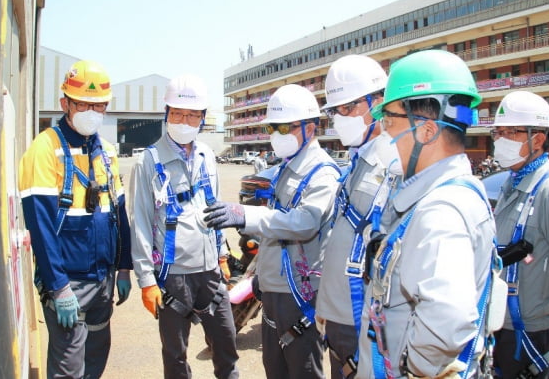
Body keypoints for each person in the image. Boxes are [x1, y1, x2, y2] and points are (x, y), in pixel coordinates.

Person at [355, 50, 497, 378]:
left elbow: (447, 320)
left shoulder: (440, 212)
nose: (384, 132)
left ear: (427, 131)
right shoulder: (453, 193)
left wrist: (414, 368)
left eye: (389, 120)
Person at [204, 84, 341, 379]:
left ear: (310, 127)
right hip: (272, 291)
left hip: (301, 296)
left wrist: (245, 215)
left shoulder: (323, 173)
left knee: (303, 371)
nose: (277, 135)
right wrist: (258, 278)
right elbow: (272, 234)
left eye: (284, 127)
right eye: (272, 127)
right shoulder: (284, 169)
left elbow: (305, 222)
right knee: (274, 370)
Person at [19, 60, 132, 378]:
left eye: (98, 105)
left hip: (102, 280)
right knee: (68, 368)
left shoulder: (107, 152)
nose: (90, 111)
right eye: (83, 103)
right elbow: (40, 226)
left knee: (96, 357)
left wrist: (123, 267)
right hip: (69, 283)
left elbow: (118, 216)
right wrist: (58, 288)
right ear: (64, 103)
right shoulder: (45, 149)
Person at [129, 74, 239, 379]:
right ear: (166, 114)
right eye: (177, 113)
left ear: (203, 118)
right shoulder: (148, 162)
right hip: (172, 277)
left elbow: (214, 206)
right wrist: (146, 281)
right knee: (175, 358)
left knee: (227, 346)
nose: (184, 120)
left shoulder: (206, 155)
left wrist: (222, 254)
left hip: (210, 274)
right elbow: (139, 223)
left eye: (192, 115)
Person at [314, 54, 401, 379]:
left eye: (348, 108)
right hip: (341, 318)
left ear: (378, 103)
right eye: (335, 111)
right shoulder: (359, 161)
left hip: (364, 320)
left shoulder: (393, 164)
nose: (339, 118)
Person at [490, 90, 549, 378]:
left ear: (537, 139)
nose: (499, 140)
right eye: (497, 132)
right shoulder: (509, 183)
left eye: (509, 132)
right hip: (500, 323)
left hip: (533, 327)